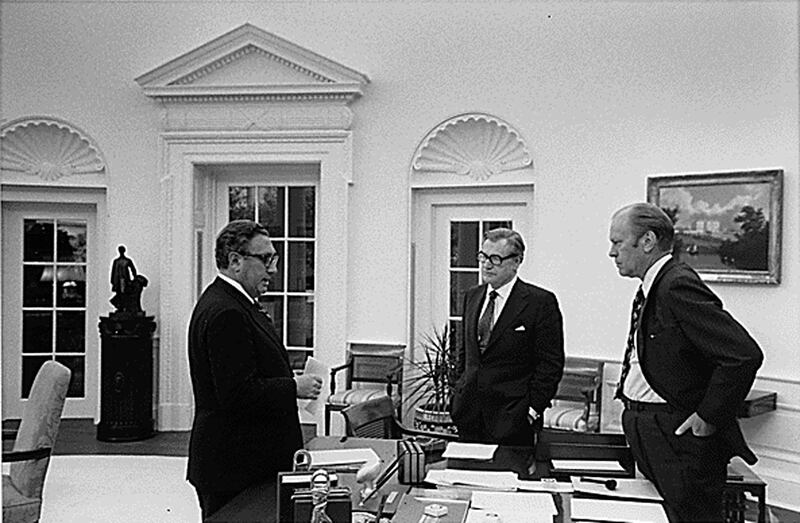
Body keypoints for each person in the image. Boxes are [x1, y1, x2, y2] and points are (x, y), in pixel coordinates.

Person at [608, 203, 763, 522]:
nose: (612, 252)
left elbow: (743, 354)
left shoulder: (675, 284)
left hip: (674, 437)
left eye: (618, 242)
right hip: (649, 429)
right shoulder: (653, 286)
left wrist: (707, 416)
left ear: (647, 241)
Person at [187, 220, 323, 519]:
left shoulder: (235, 304)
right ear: (235, 261)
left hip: (243, 464)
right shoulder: (226, 312)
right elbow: (237, 393)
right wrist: (293, 387)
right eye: (265, 259)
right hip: (236, 469)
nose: (273, 269)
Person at [450, 227, 565, 446]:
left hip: (513, 420)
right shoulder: (472, 297)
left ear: (516, 261)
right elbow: (464, 354)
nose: (486, 264)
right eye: (483, 257)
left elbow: (550, 365)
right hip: (469, 416)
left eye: (495, 258)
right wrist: (458, 394)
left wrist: (531, 411)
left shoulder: (539, 303)